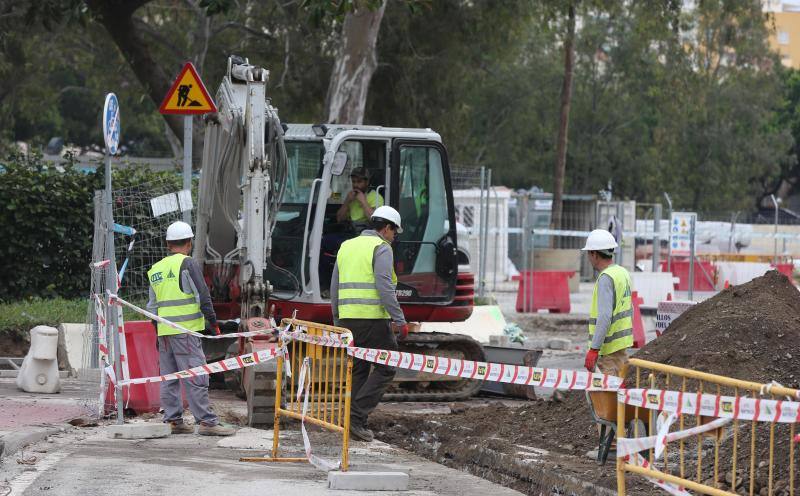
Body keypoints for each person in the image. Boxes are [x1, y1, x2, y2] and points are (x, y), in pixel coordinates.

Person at [146, 221, 235, 436]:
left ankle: (173, 420)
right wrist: (213, 324)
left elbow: (151, 307)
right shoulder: (188, 264)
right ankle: (206, 422)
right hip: (185, 332)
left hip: (165, 332)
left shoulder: (155, 270)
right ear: (189, 242)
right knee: (197, 375)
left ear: (168, 244)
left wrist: (159, 330)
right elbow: (203, 295)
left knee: (170, 378)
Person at [330, 206, 409, 442]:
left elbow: (335, 286)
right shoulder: (381, 248)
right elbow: (384, 286)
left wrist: (337, 319)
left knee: (360, 368)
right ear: (386, 228)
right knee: (387, 366)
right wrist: (400, 319)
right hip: (372, 320)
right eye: (395, 232)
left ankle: (349, 419)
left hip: (348, 319)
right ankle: (356, 417)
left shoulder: (347, 246)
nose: (394, 237)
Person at [581, 229, 634, 377]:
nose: (588, 258)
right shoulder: (622, 273)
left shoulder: (606, 278)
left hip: (608, 351)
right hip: (620, 348)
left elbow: (604, 317)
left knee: (605, 396)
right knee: (618, 395)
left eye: (589, 253)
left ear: (594, 254)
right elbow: (630, 308)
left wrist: (594, 349)